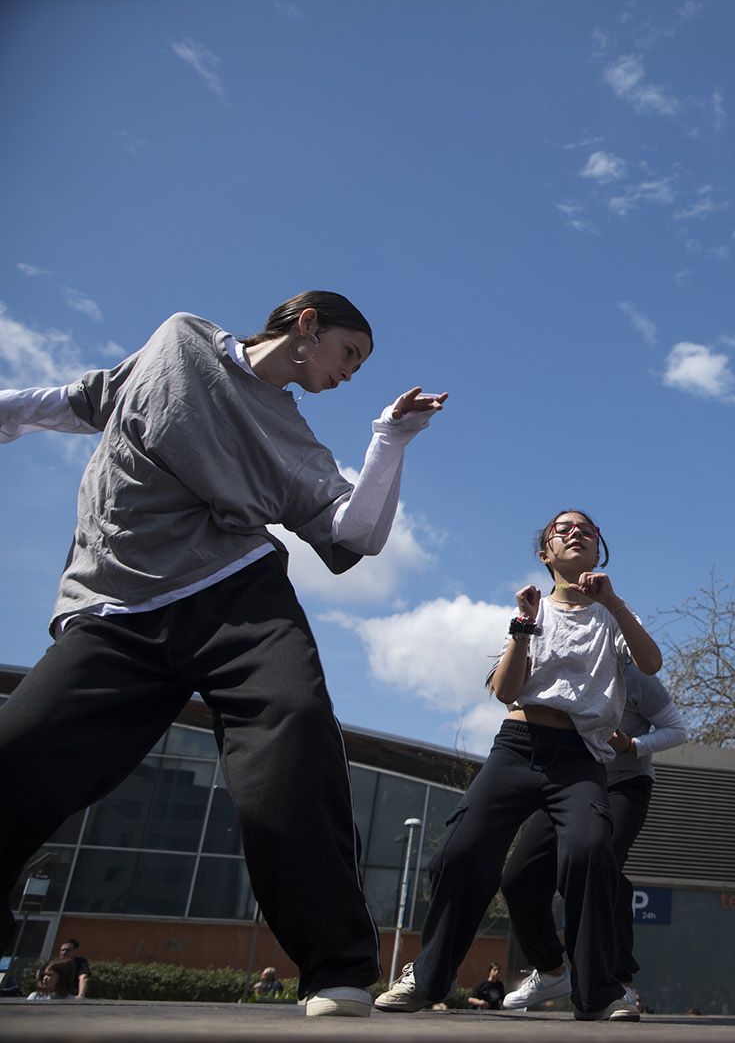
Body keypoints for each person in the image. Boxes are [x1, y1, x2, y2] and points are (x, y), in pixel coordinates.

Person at [0, 292, 446, 1018]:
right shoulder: (181, 340)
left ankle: (335, 964)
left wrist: (389, 442)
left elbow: (354, 535)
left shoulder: (292, 436)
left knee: (294, 727)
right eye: (349, 354)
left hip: (234, 595)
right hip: (116, 604)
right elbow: (92, 396)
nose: (351, 372)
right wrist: (8, 410)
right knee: (19, 755)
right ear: (307, 324)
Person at [377, 509, 661, 1022]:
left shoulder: (614, 615)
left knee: (590, 851)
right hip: (517, 746)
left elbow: (651, 663)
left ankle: (597, 990)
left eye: (587, 530)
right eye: (563, 529)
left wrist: (614, 603)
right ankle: (427, 975)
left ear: (599, 550)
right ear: (544, 554)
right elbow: (506, 691)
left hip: (579, 759)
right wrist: (522, 628)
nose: (576, 532)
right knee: (460, 853)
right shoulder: (531, 612)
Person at [501, 664, 688, 1012]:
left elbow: (677, 730)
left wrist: (633, 744)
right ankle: (550, 970)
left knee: (599, 864)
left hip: (624, 783)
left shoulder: (634, 677)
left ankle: (618, 980)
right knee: (518, 876)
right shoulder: (566, 669)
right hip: (568, 782)